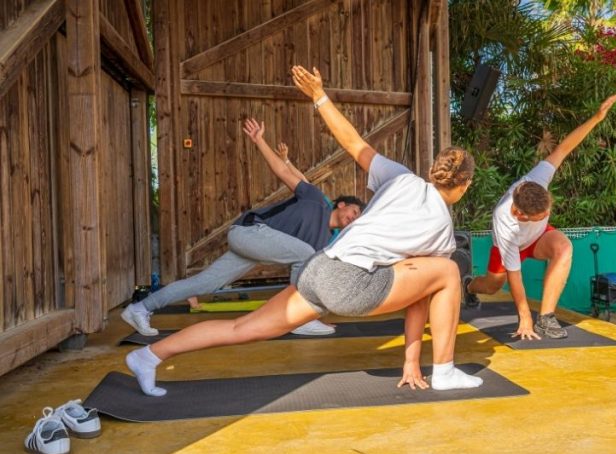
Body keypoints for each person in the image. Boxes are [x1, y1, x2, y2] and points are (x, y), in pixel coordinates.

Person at [125, 65, 480, 397]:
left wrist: (319, 96)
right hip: (350, 284)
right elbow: (420, 299)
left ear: (433, 171)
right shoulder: (441, 228)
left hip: (319, 269)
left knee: (241, 328)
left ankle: (149, 356)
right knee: (448, 271)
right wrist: (411, 360)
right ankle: (445, 371)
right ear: (464, 185)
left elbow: (354, 142)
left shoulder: (401, 177)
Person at [121, 117, 365, 337]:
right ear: (341, 204)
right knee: (305, 255)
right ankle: (294, 319)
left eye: (357, 218)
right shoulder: (316, 199)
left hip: (254, 247)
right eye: (354, 212)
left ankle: (140, 308)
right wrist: (260, 141)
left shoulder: (325, 240)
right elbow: (283, 170)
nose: (353, 218)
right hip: (250, 231)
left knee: (204, 284)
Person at [465, 94, 616, 340]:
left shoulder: (537, 179)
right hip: (512, 246)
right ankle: (468, 286)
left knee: (564, 247)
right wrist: (524, 316)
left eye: (546, 212)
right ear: (520, 214)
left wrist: (597, 117)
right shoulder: (505, 223)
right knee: (492, 286)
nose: (546, 215)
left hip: (537, 239)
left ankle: (546, 318)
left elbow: (564, 148)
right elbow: (515, 276)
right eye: (540, 215)